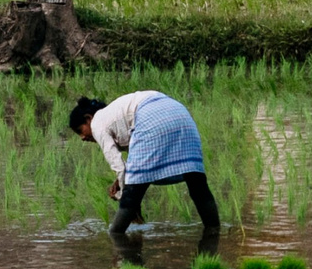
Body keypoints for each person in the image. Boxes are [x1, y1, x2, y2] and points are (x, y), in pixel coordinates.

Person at [72, 91, 221, 236]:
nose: (82, 137)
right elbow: (136, 161)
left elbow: (120, 166)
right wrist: (121, 181)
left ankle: (116, 237)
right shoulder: (114, 113)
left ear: (88, 118)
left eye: (80, 131)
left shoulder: (97, 122)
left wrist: (125, 196)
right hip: (180, 115)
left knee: (131, 195)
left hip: (151, 117)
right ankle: (214, 232)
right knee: (197, 182)